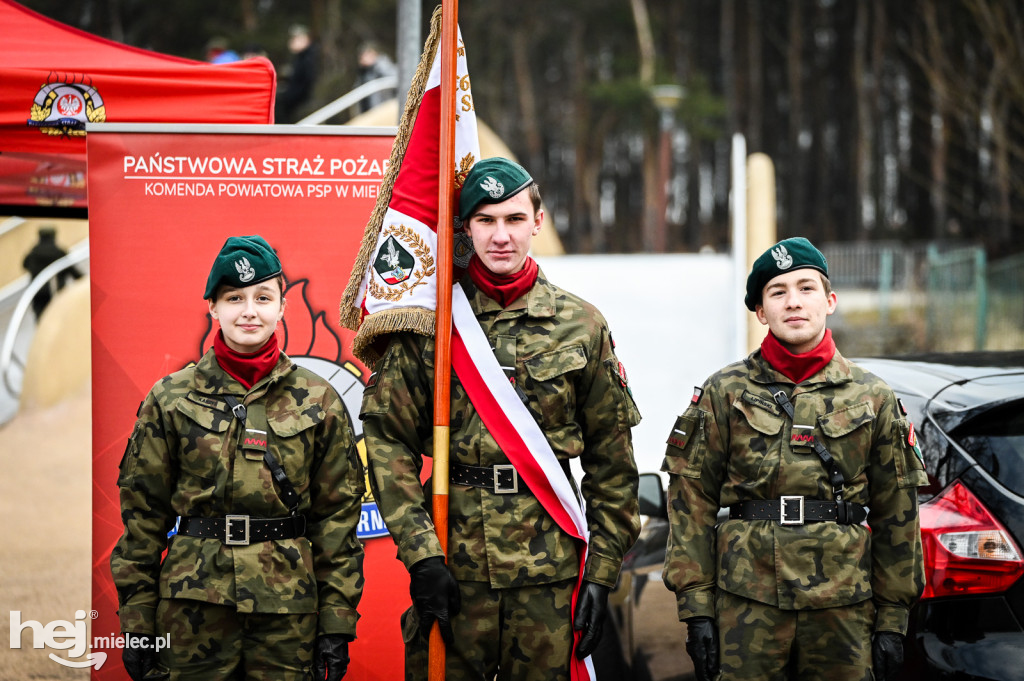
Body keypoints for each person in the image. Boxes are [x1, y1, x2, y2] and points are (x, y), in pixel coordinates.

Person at [360, 158, 642, 680]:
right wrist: (422, 556)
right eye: (486, 221)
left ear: (538, 220)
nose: (501, 237)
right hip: (454, 563)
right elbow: (387, 442)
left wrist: (601, 575)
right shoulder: (433, 324)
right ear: (465, 229)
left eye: (514, 219)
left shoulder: (581, 324)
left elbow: (612, 462)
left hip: (550, 575)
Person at [662, 237, 929, 681]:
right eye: (778, 292)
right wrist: (697, 609)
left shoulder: (873, 396)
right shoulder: (723, 392)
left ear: (830, 301)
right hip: (746, 603)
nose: (794, 302)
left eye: (806, 288)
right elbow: (690, 500)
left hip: (843, 607)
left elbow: (897, 513)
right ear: (761, 312)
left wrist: (892, 620)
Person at [110, 235, 365, 681]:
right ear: (213, 307)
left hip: (287, 615)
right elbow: (142, 518)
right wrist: (137, 624)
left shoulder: (318, 398)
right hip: (193, 612)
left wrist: (337, 624)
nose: (249, 310)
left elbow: (337, 521)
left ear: (282, 307)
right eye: (234, 298)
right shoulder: (170, 397)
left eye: (263, 298)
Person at [22, 226, 80, 318]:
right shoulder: (59, 252)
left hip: (39, 295)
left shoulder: (33, 254)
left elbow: (24, 265)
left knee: (42, 323)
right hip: (57, 294)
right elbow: (74, 272)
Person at [275, 24, 319, 123]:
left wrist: (288, 97)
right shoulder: (300, 58)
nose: (292, 42)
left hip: (302, 105)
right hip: (296, 103)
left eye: (296, 39)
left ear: (305, 39)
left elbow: (307, 83)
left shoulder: (308, 58)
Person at [354, 41, 397, 113]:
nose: (363, 60)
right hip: (369, 113)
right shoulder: (364, 72)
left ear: (373, 54)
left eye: (365, 56)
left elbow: (394, 80)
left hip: (384, 110)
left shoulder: (383, 66)